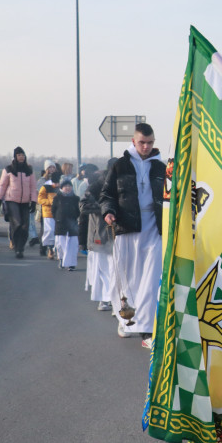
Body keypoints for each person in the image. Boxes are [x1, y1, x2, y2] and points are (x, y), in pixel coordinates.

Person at [100, 122, 166, 348]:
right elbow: (106, 194)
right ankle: (125, 319)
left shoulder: (161, 168)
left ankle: (147, 331)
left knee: (150, 279)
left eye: (149, 143)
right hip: (127, 227)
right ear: (133, 142)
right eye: (142, 142)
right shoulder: (120, 165)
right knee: (126, 278)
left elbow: (171, 197)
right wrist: (108, 212)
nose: (146, 147)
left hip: (154, 229)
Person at [0, 147, 37, 258]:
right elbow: (2, 185)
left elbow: (33, 186)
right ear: (15, 156)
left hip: (25, 201)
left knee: (25, 226)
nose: (21, 157)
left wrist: (34, 201)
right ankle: (16, 247)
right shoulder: (9, 169)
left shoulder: (29, 169)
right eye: (19, 155)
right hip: (11, 200)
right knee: (17, 224)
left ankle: (21, 248)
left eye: (23, 155)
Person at [82, 169, 115, 310]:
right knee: (102, 269)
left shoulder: (120, 184)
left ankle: (115, 299)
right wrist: (106, 210)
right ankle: (104, 299)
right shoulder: (96, 186)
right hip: (99, 234)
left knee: (116, 270)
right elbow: (83, 206)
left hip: (118, 234)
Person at [52, 179, 80, 271]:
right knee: (61, 244)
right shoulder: (57, 198)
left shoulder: (76, 198)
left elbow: (78, 211)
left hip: (72, 224)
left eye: (69, 186)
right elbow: (53, 210)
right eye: (65, 186)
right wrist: (57, 218)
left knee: (73, 244)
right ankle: (62, 259)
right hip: (60, 223)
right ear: (61, 188)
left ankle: (71, 264)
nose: (67, 188)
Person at [37, 176, 58, 258]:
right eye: (56, 183)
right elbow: (40, 199)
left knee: (57, 232)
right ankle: (50, 248)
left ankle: (55, 249)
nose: (57, 184)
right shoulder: (45, 187)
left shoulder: (63, 187)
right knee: (50, 231)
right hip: (48, 213)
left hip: (59, 213)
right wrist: (50, 201)